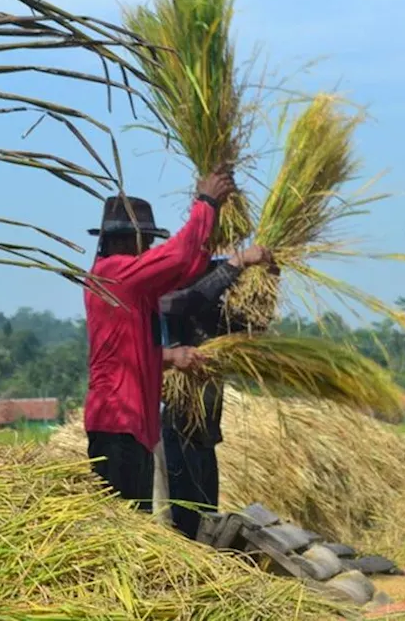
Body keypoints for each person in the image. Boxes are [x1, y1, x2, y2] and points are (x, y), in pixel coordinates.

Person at [82, 168, 235, 510]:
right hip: (116, 423)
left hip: (135, 424)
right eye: (145, 241)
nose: (148, 249)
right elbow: (178, 256)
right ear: (123, 240)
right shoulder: (114, 274)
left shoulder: (136, 288)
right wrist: (206, 201)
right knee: (121, 526)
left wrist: (172, 357)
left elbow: (189, 267)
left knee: (136, 519)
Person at [157, 245, 274, 539]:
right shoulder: (167, 301)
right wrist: (236, 264)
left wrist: (269, 278)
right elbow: (187, 302)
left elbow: (254, 328)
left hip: (206, 432)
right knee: (183, 520)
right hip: (176, 427)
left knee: (205, 517)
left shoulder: (214, 317)